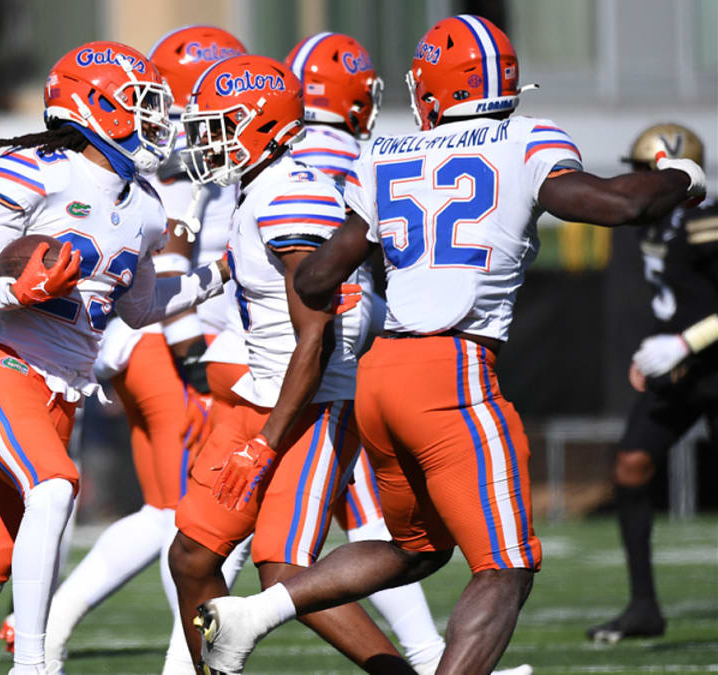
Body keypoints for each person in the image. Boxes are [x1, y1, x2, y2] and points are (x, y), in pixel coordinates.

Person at [190, 15, 706, 675]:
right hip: (452, 370)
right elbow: (617, 204)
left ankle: (254, 612)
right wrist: (682, 177)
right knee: (506, 566)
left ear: (433, 90)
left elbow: (318, 275)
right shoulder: (524, 138)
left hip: (374, 378)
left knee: (417, 546)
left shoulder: (386, 154)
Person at [0, 41, 229, 675]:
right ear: (95, 105)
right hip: (0, 366)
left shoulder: (144, 207)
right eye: (142, 104)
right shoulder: (41, 169)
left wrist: (218, 276)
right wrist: (13, 290)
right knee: (55, 488)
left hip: (62, 393)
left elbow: (139, 308)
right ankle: (32, 664)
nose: (155, 119)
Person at [165, 53, 415, 674]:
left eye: (218, 127)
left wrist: (268, 441)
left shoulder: (291, 195)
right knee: (192, 556)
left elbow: (316, 337)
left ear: (261, 125)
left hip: (307, 407)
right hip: (259, 394)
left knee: (284, 571)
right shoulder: (260, 190)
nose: (205, 142)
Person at [42, 26, 249, 675]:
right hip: (169, 343)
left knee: (167, 512)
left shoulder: (164, 160)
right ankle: (191, 665)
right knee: (198, 525)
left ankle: (43, 627)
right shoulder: (187, 167)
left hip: (138, 346)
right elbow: (166, 264)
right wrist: (192, 349)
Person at [283, 31, 450, 673]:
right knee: (236, 544)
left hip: (266, 344)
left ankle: (429, 656)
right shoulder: (359, 153)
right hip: (325, 351)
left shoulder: (279, 149)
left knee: (371, 520)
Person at [587, 123, 717, 644]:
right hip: (680, 369)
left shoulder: (706, 222)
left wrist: (683, 344)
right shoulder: (656, 226)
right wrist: (658, 349)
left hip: (710, 363)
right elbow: (676, 299)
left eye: (644, 172)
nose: (636, 182)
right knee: (632, 465)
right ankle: (644, 606)